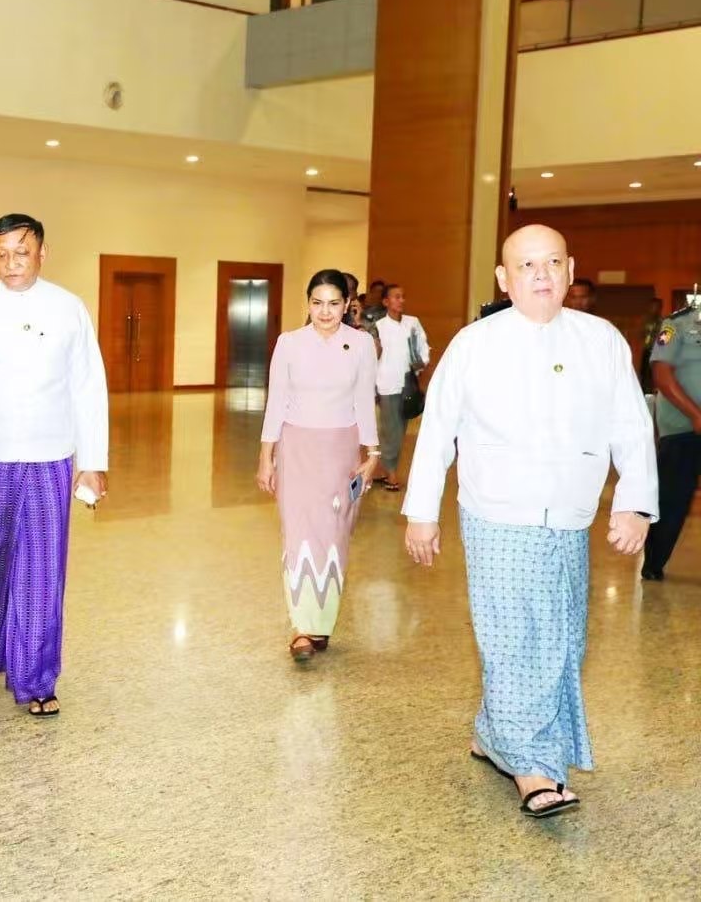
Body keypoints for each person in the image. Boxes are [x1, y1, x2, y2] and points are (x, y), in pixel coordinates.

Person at [403, 224, 657, 819]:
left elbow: (630, 425)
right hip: (497, 512)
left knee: (561, 636)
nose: (541, 275)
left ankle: (494, 734)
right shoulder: (475, 344)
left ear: (570, 269)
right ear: (504, 278)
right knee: (515, 636)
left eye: (552, 262)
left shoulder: (600, 340)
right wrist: (421, 513)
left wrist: (634, 502)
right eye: (526, 265)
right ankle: (533, 766)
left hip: (570, 515)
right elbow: (437, 430)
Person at [0, 213, 108, 717]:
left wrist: (93, 461)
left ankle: (36, 677)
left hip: (49, 459)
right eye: (1, 254)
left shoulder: (68, 308)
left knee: (41, 569)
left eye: (22, 252)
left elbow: (88, 386)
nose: (11, 263)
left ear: (42, 253)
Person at [256, 269, 379, 661]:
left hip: (340, 450)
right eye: (317, 303)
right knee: (298, 535)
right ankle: (302, 627)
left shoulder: (360, 344)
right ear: (308, 304)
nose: (325, 312)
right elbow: (276, 402)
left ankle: (321, 624)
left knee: (333, 535)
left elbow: (365, 401)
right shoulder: (289, 343)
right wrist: (266, 458)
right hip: (296, 450)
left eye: (334, 303)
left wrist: (372, 455)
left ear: (347, 304)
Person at [641, 298, 701, 580]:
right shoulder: (677, 325)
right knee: (672, 500)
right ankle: (654, 563)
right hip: (682, 427)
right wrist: (696, 415)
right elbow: (662, 375)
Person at [373, 284, 430, 490]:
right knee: (391, 431)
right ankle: (391, 474)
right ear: (386, 302)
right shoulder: (379, 326)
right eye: (396, 297)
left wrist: (422, 362)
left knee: (400, 430)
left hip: (408, 385)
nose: (401, 301)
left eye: (402, 297)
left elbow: (423, 346)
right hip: (386, 384)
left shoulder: (412, 323)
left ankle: (387, 469)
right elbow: (373, 357)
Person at [638, 298, 663, 392]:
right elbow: (640, 335)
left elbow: (665, 339)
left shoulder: (664, 322)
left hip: (657, 352)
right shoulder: (645, 320)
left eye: (656, 307)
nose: (654, 309)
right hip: (646, 350)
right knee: (644, 373)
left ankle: (654, 391)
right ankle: (644, 391)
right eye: (652, 307)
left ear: (660, 308)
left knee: (655, 375)